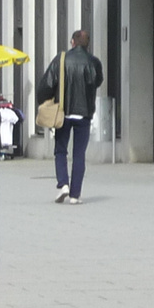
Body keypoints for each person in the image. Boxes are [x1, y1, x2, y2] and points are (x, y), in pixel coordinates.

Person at [36, 29, 103, 204]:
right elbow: (98, 81)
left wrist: (43, 101)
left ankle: (63, 184)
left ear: (72, 42)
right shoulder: (94, 62)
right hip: (84, 114)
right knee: (79, 154)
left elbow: (47, 83)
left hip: (63, 113)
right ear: (88, 44)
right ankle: (75, 195)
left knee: (60, 150)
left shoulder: (62, 59)